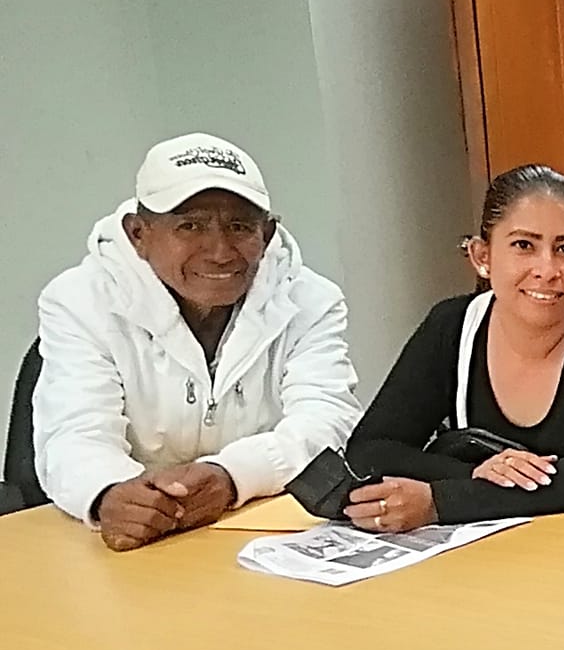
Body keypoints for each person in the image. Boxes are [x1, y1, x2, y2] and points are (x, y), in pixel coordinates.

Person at [33, 133, 359, 551]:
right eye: (191, 226)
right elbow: (74, 433)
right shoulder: (79, 300)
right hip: (134, 544)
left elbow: (328, 420)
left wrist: (233, 476)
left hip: (257, 532)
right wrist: (110, 493)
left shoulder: (312, 299)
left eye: (240, 227)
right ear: (138, 234)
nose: (220, 251)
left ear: (267, 235)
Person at [345, 165, 564, 529]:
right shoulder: (452, 325)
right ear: (482, 256)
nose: (547, 269)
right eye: (524, 246)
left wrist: (441, 502)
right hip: (494, 547)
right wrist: (475, 472)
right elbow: (370, 450)